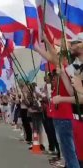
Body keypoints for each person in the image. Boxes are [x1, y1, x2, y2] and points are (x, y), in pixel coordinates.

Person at [35, 35, 81, 168]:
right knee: (70, 153)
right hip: (65, 115)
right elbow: (52, 57)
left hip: (64, 115)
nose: (59, 56)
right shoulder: (67, 68)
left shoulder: (69, 68)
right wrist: (41, 47)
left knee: (70, 154)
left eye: (62, 54)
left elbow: (52, 56)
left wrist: (46, 42)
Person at [50, 34, 83, 168]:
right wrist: (63, 74)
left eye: (74, 43)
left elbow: (81, 98)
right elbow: (72, 93)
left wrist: (61, 99)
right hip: (76, 120)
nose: (71, 46)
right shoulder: (76, 66)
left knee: (75, 159)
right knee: (75, 158)